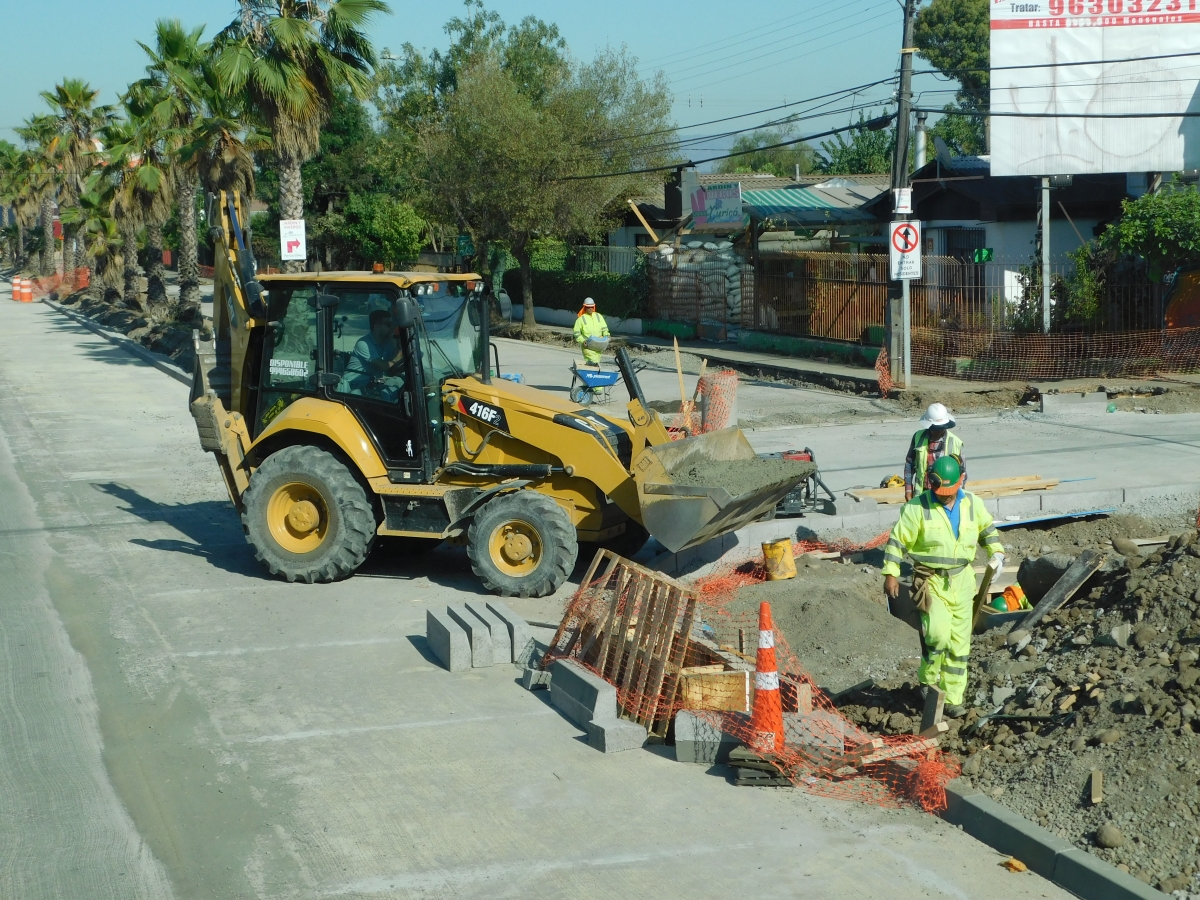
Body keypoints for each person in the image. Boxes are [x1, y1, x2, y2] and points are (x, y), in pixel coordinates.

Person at [883, 455, 1004, 717]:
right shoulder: (917, 508)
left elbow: (987, 530)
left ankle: (953, 699)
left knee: (959, 645)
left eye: (950, 492)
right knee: (937, 634)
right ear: (932, 484)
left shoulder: (973, 504)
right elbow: (897, 541)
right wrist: (891, 573)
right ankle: (928, 680)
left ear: (961, 480)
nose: (945, 497)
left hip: (962, 581)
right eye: (941, 492)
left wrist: (997, 553)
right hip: (932, 580)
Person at [904, 402, 965, 501]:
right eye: (935, 429)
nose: (938, 431)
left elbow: (962, 473)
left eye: (941, 428)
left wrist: (957, 498)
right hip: (922, 494)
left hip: (945, 495)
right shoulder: (918, 437)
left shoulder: (955, 442)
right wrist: (908, 489)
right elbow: (909, 464)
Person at [343, 307, 404, 401]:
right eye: (388, 324)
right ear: (376, 326)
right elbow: (384, 366)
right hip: (354, 387)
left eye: (392, 324)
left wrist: (396, 344)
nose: (392, 327)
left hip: (372, 386)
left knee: (401, 392)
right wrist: (398, 355)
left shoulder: (386, 343)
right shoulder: (364, 343)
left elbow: (398, 360)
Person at [572, 297, 610, 365]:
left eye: (592, 307)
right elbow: (576, 333)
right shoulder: (581, 319)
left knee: (596, 363)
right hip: (588, 347)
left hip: (598, 345)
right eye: (588, 307)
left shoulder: (599, 316)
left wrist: (607, 335)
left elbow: (604, 328)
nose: (590, 309)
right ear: (585, 307)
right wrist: (582, 341)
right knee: (593, 363)